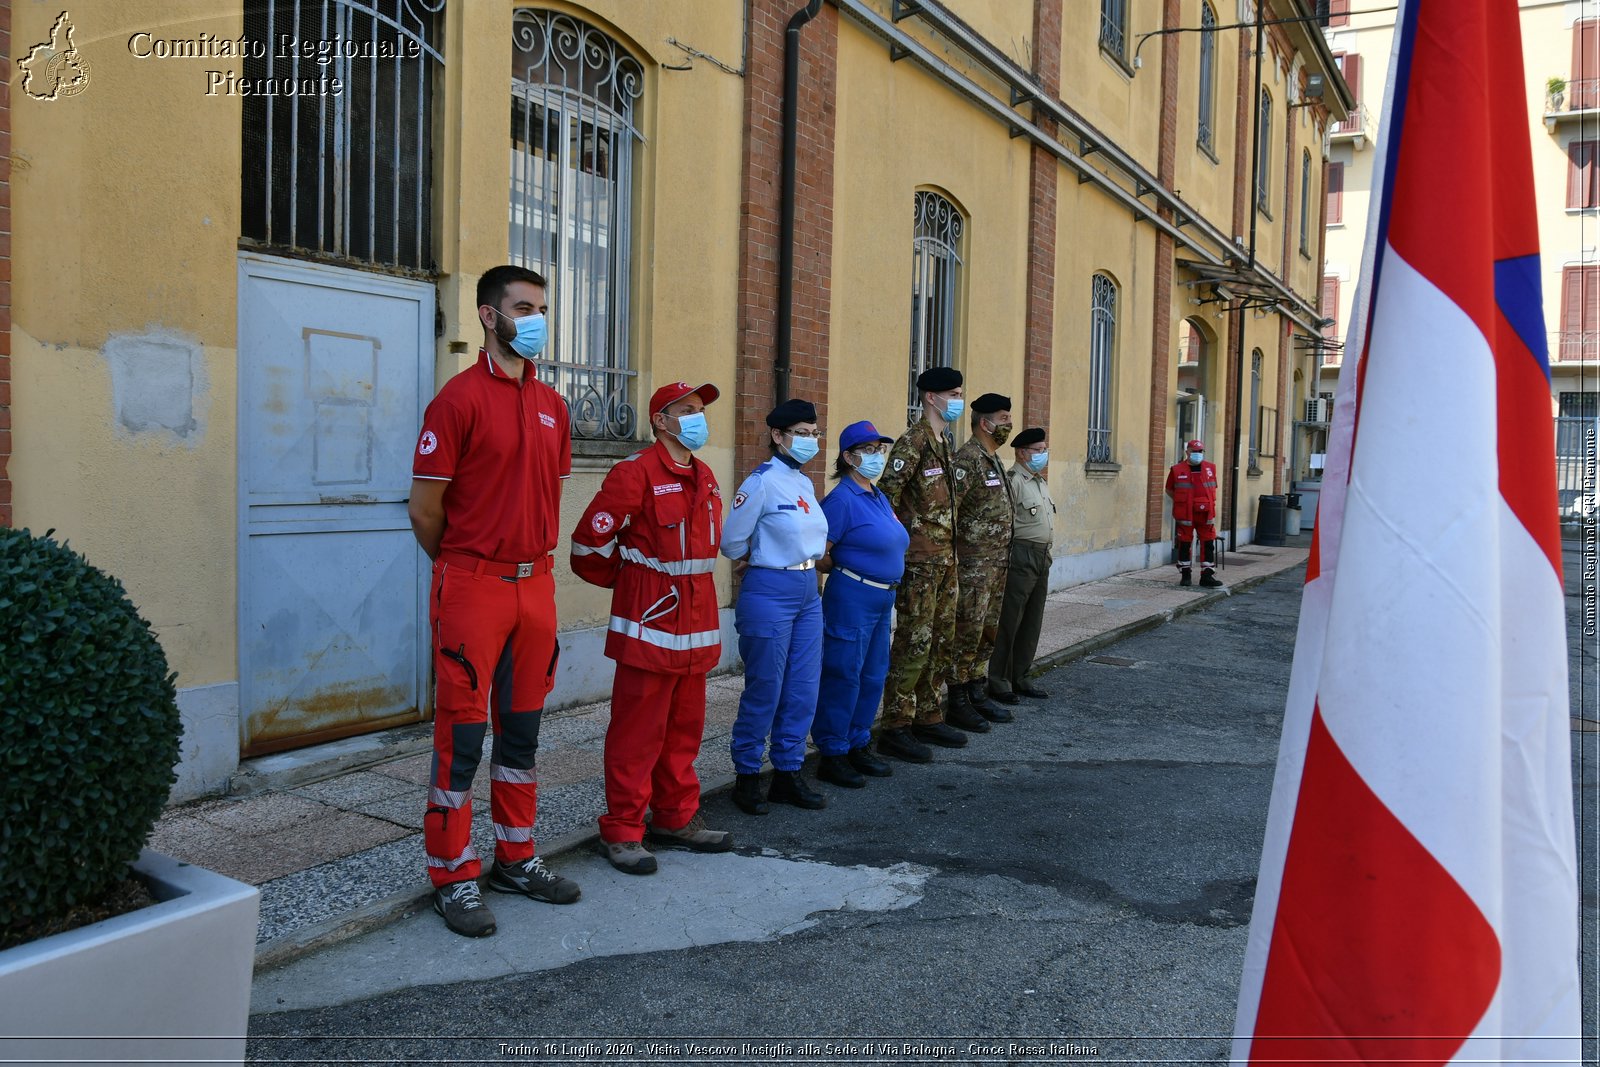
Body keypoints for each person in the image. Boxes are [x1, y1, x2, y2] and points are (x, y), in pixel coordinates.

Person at [408, 264, 580, 938]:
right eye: (523, 306)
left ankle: (516, 854)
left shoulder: (553, 406)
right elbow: (425, 510)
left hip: (535, 586)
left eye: (541, 307)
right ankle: (452, 871)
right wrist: (463, 568)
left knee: (521, 731)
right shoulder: (456, 401)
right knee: (462, 736)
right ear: (488, 315)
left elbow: (546, 493)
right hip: (473, 584)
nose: (535, 318)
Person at [570, 381, 735, 875]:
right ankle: (622, 831)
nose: (697, 418)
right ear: (660, 420)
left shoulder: (704, 474)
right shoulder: (635, 472)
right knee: (637, 733)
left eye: (700, 411)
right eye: (686, 410)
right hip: (650, 622)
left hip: (697, 622)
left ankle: (675, 817)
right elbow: (587, 548)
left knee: (684, 730)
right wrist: (634, 582)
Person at [720, 398, 831, 813]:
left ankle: (788, 771)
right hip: (770, 588)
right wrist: (759, 554)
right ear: (778, 436)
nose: (809, 440)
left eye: (813, 433)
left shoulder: (802, 481)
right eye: (800, 433)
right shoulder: (760, 481)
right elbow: (731, 541)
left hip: (806, 589)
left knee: (803, 688)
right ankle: (747, 775)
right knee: (765, 688)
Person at [875, 366, 970, 762]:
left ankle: (928, 714)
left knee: (941, 637)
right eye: (952, 393)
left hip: (945, 559)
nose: (958, 400)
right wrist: (902, 545)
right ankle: (897, 724)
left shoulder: (944, 441)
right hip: (918, 562)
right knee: (914, 639)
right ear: (931, 397)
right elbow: (886, 498)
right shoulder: (912, 443)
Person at [810, 420, 907, 789]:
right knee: (843, 673)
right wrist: (850, 569)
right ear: (849, 457)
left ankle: (858, 742)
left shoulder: (877, 495)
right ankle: (833, 751)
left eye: (880, 449)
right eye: (868, 450)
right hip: (853, 596)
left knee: (873, 673)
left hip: (883, 598)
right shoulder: (841, 500)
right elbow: (820, 553)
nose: (877, 456)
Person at [949, 393, 1016, 729]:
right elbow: (951, 513)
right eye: (1003, 419)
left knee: (987, 632)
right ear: (984, 422)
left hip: (996, 564)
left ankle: (977, 691)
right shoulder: (967, 460)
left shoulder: (993, 458)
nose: (1008, 425)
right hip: (973, 567)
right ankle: (957, 698)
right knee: (968, 632)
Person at [988, 427, 1056, 705]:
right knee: (1010, 619)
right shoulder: (1013, 480)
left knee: (1032, 619)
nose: (1043, 455)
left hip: (1042, 555)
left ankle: (1021, 675)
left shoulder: (1039, 482)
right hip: (1021, 555)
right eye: (1037, 450)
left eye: (1044, 449)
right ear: (1021, 452)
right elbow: (1003, 523)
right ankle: (999, 680)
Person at [1166, 439, 1223, 588]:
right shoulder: (1177, 469)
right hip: (1186, 514)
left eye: (1200, 451)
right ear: (1187, 452)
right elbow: (1169, 490)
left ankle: (1207, 576)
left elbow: (1213, 488)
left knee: (1208, 543)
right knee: (1184, 544)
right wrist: (1182, 502)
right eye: (1194, 451)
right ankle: (1186, 576)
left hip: (1206, 514)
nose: (1197, 454)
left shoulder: (1211, 468)